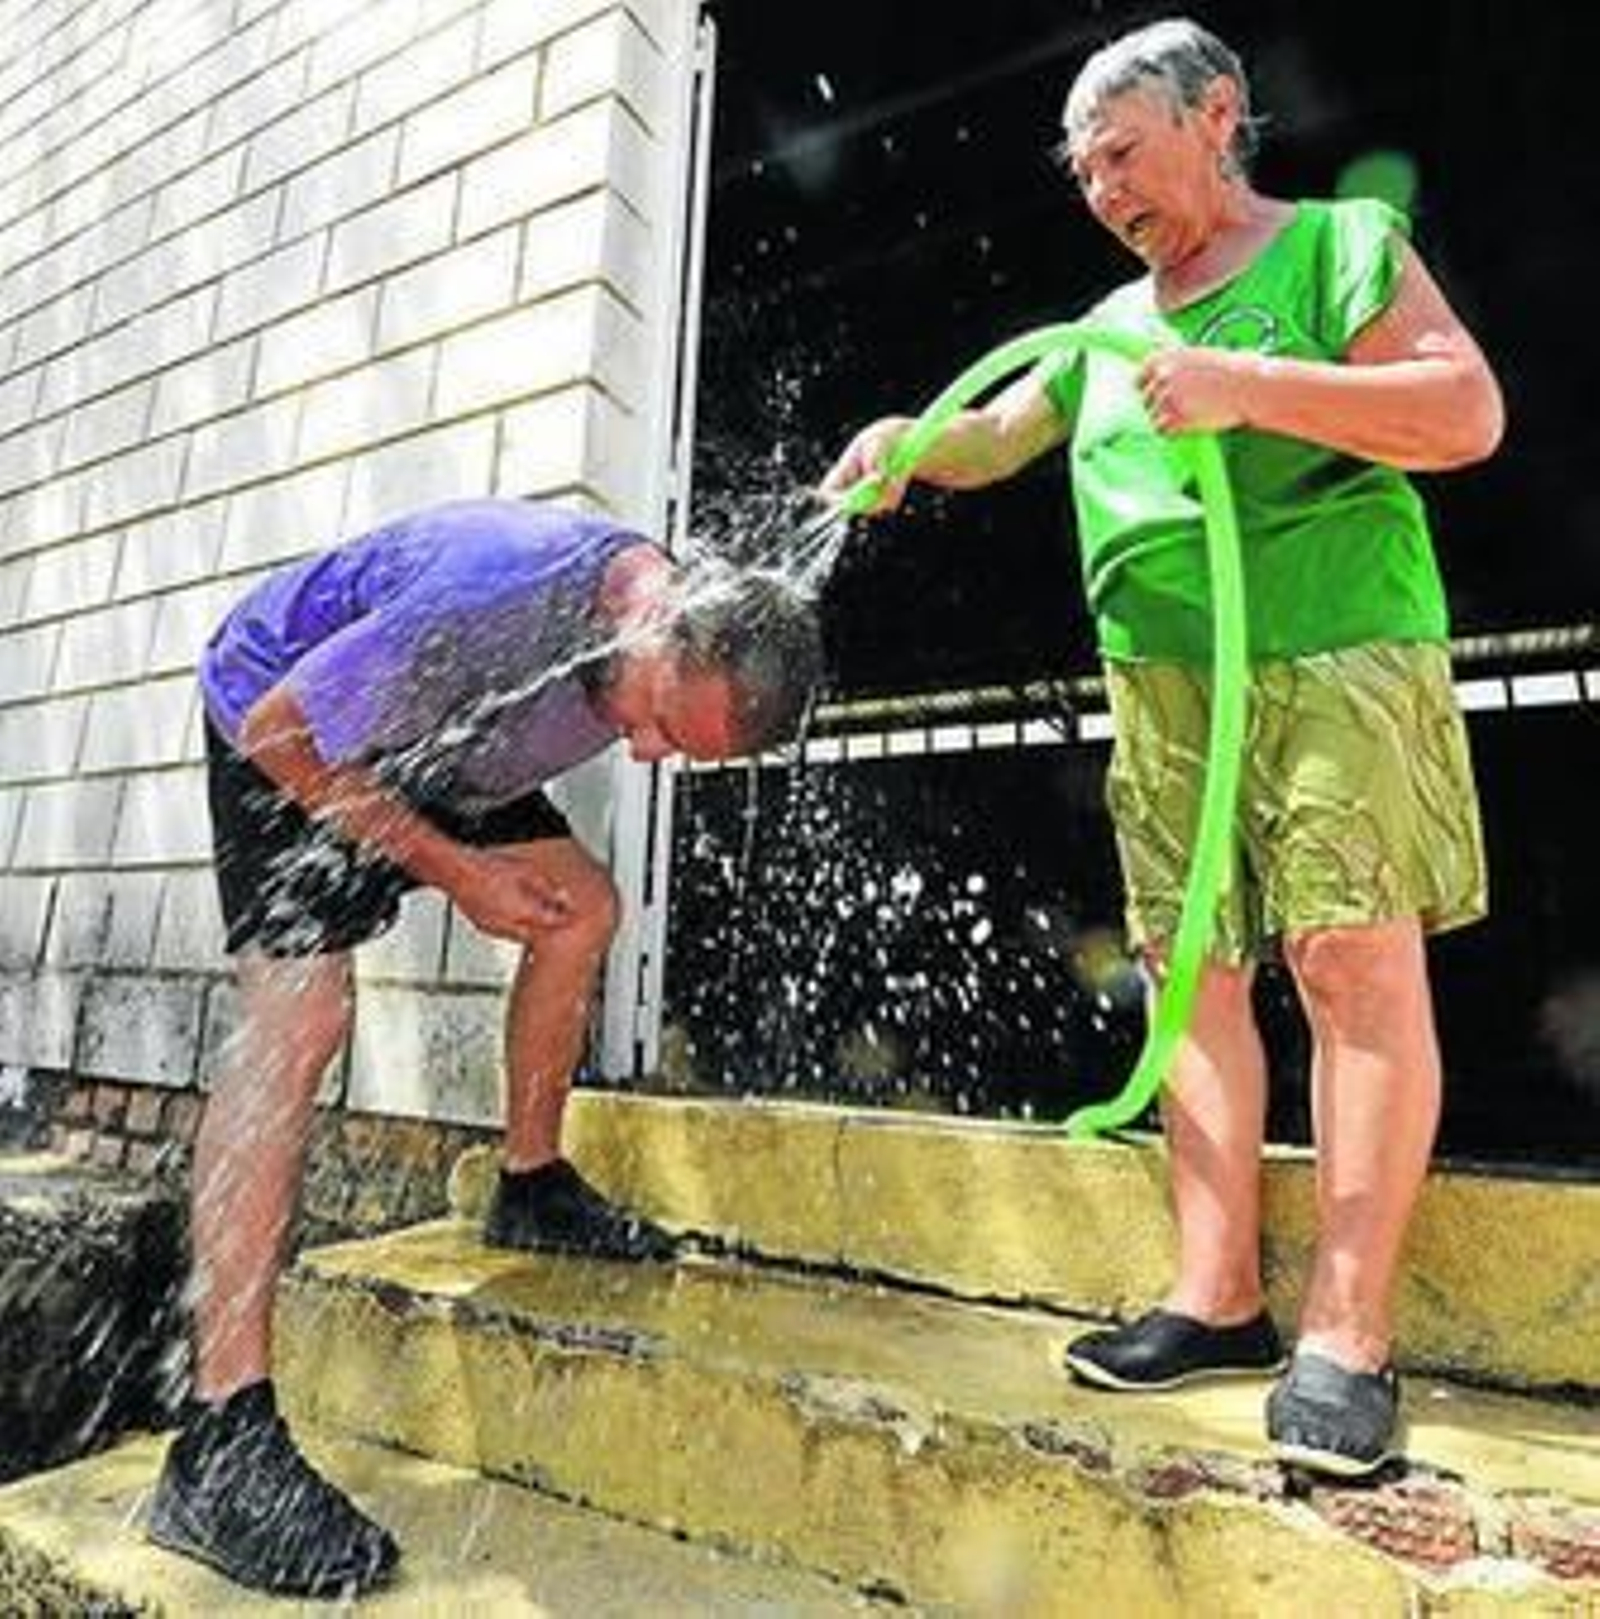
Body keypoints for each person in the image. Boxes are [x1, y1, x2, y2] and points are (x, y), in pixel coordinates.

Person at [824, 18, 1501, 1480]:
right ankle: (1217, 1296)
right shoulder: (1110, 321)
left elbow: (1463, 409)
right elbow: (1000, 433)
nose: (1103, 189)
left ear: (1219, 114)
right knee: (1188, 961)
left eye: (1122, 152)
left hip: (1334, 641)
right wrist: (907, 441)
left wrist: (1250, 385)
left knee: (1347, 956)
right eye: (1081, 173)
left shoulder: (1337, 247)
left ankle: (1348, 1335)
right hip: (1161, 680)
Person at [146, 496, 823, 1597]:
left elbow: (513, 745)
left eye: (674, 750)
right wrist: (456, 872)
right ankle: (218, 1436)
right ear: (650, 624)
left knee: (580, 907)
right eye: (651, 718)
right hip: (284, 727)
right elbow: (282, 729)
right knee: (303, 1017)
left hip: (433, 745)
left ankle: (531, 1180)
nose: (643, 753)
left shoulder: (673, 622)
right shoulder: (503, 598)